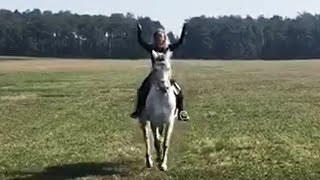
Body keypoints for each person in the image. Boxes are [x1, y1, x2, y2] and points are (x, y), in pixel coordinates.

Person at [130, 23, 190, 121]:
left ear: (164, 38)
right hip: (154, 75)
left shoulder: (169, 48)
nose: (159, 39)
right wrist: (139, 32)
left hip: (166, 76)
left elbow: (180, 42)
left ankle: (181, 112)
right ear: (155, 39)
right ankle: (138, 111)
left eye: (161, 37)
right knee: (141, 90)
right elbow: (141, 42)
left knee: (179, 91)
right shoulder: (151, 48)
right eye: (157, 37)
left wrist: (183, 32)